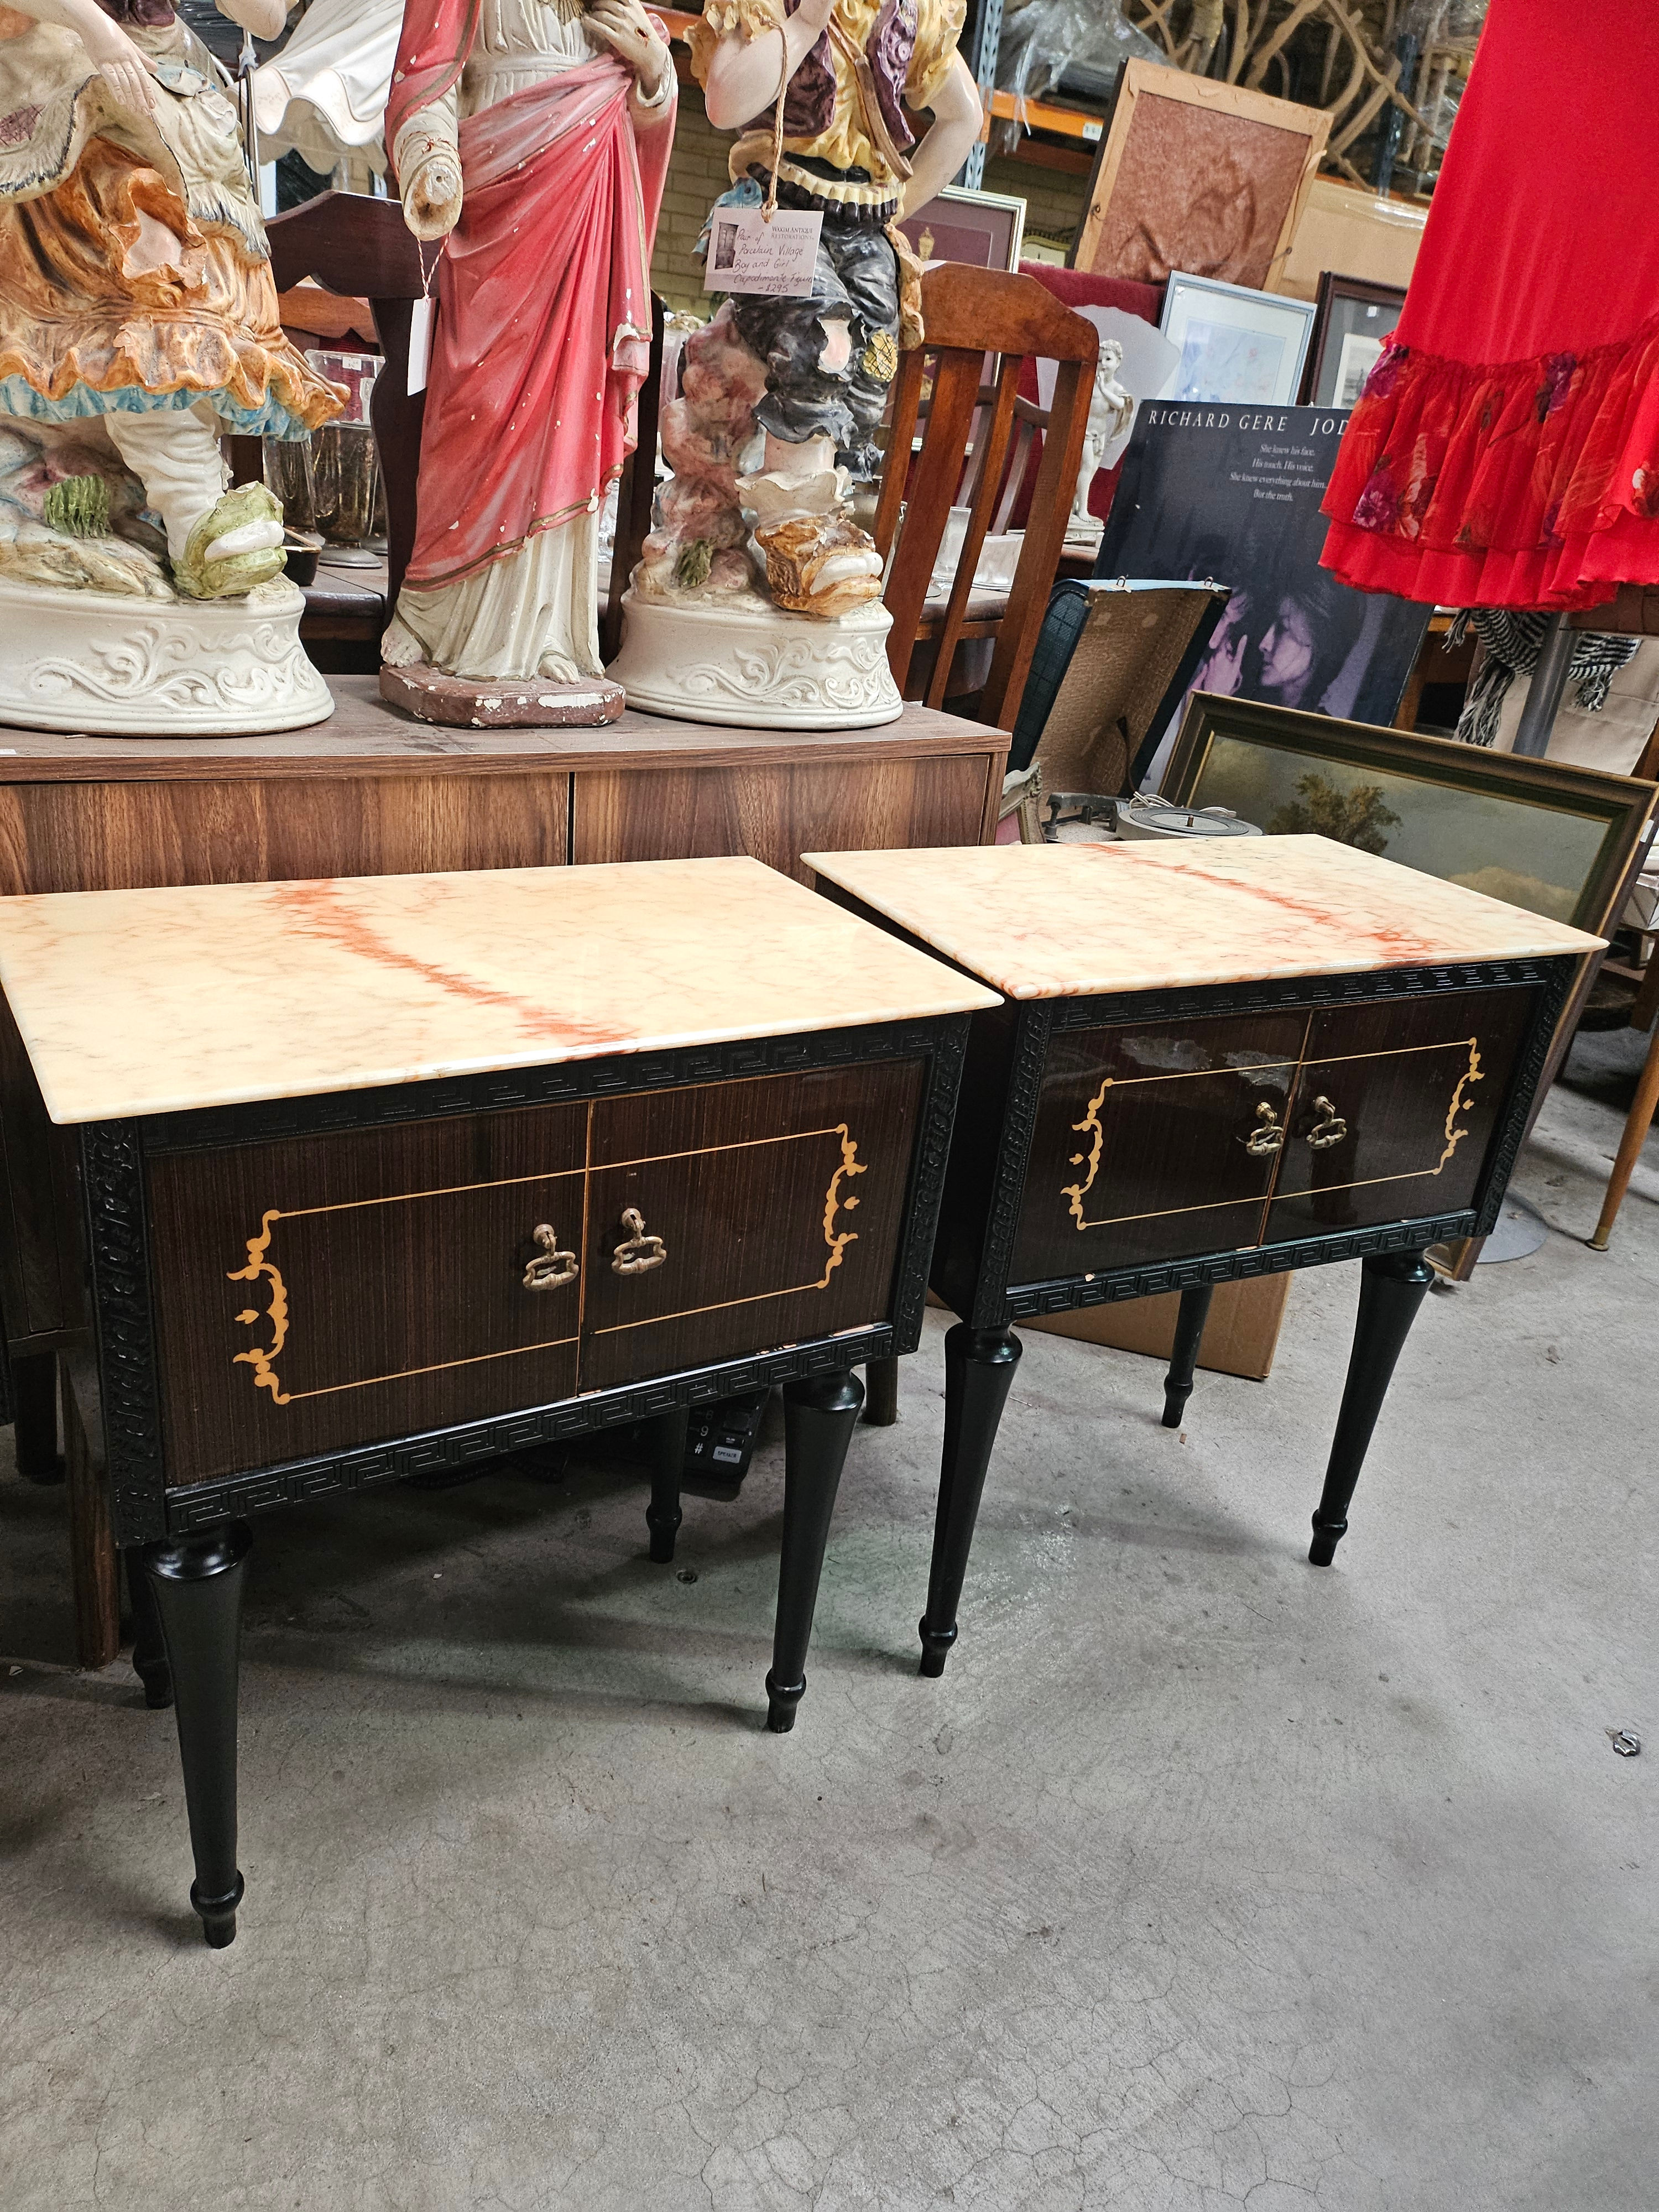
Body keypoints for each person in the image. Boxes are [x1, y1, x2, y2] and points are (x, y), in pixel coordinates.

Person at [0, 0, 343, 595]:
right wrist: (95, 26)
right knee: (142, 260)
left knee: (203, 278)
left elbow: (262, 20)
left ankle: (189, 506)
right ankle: (192, 505)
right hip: (58, 61)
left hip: (165, 80)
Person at [382, 0, 675, 692]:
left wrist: (656, 77)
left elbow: (642, 115)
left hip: (584, 197)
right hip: (493, 201)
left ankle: (547, 636)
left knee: (565, 411)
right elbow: (422, 81)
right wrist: (430, 155)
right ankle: (443, 620)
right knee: (475, 406)